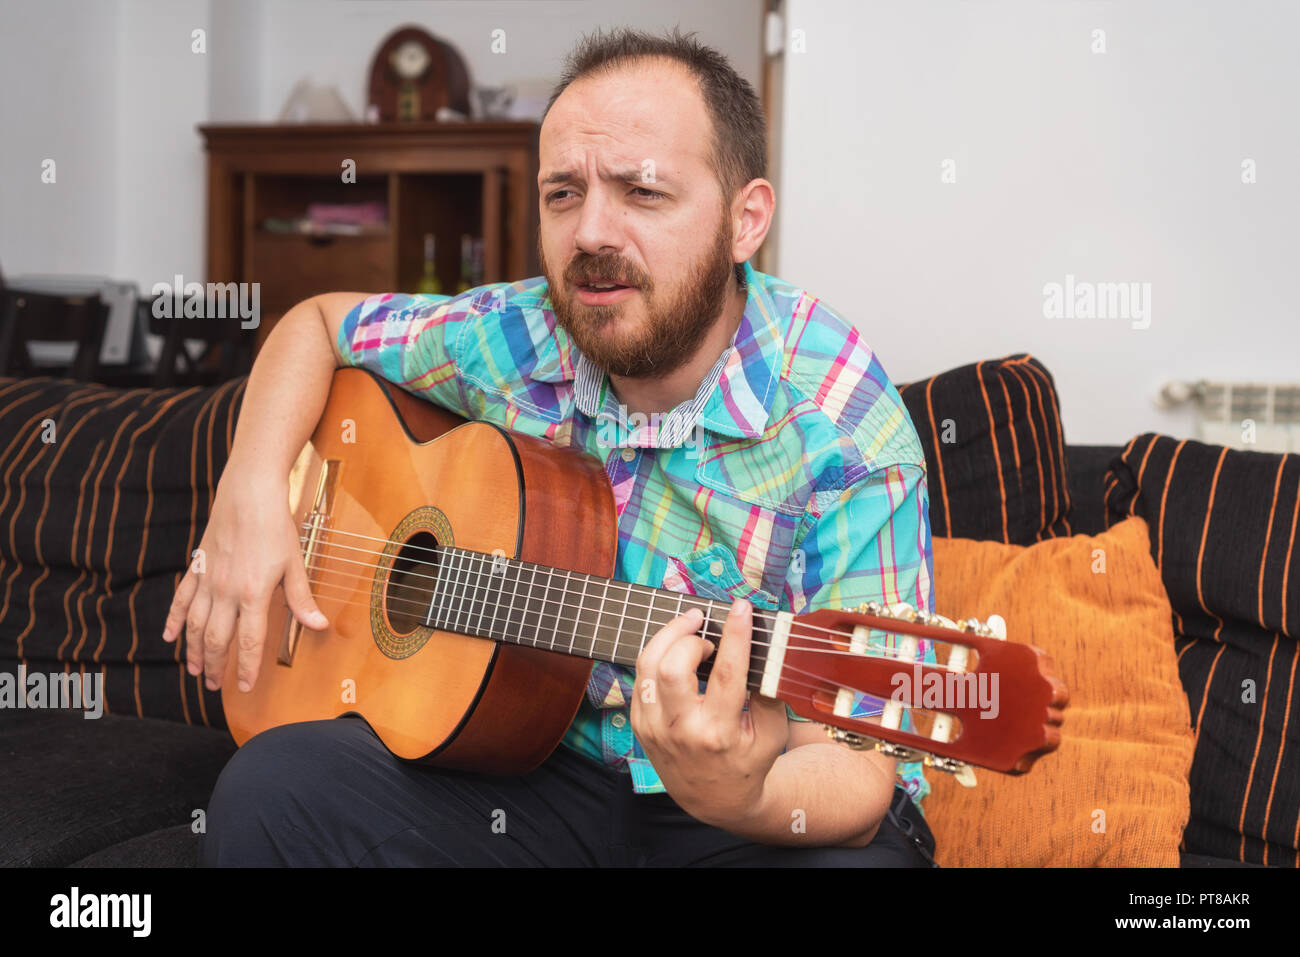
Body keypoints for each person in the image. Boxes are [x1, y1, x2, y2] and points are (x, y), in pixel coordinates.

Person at [165, 25, 940, 867]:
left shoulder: (844, 420)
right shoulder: (514, 333)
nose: (590, 234)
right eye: (563, 193)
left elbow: (865, 771)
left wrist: (740, 793)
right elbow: (315, 324)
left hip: (746, 802)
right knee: (270, 790)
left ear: (745, 219)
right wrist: (249, 491)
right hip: (528, 769)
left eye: (643, 192)